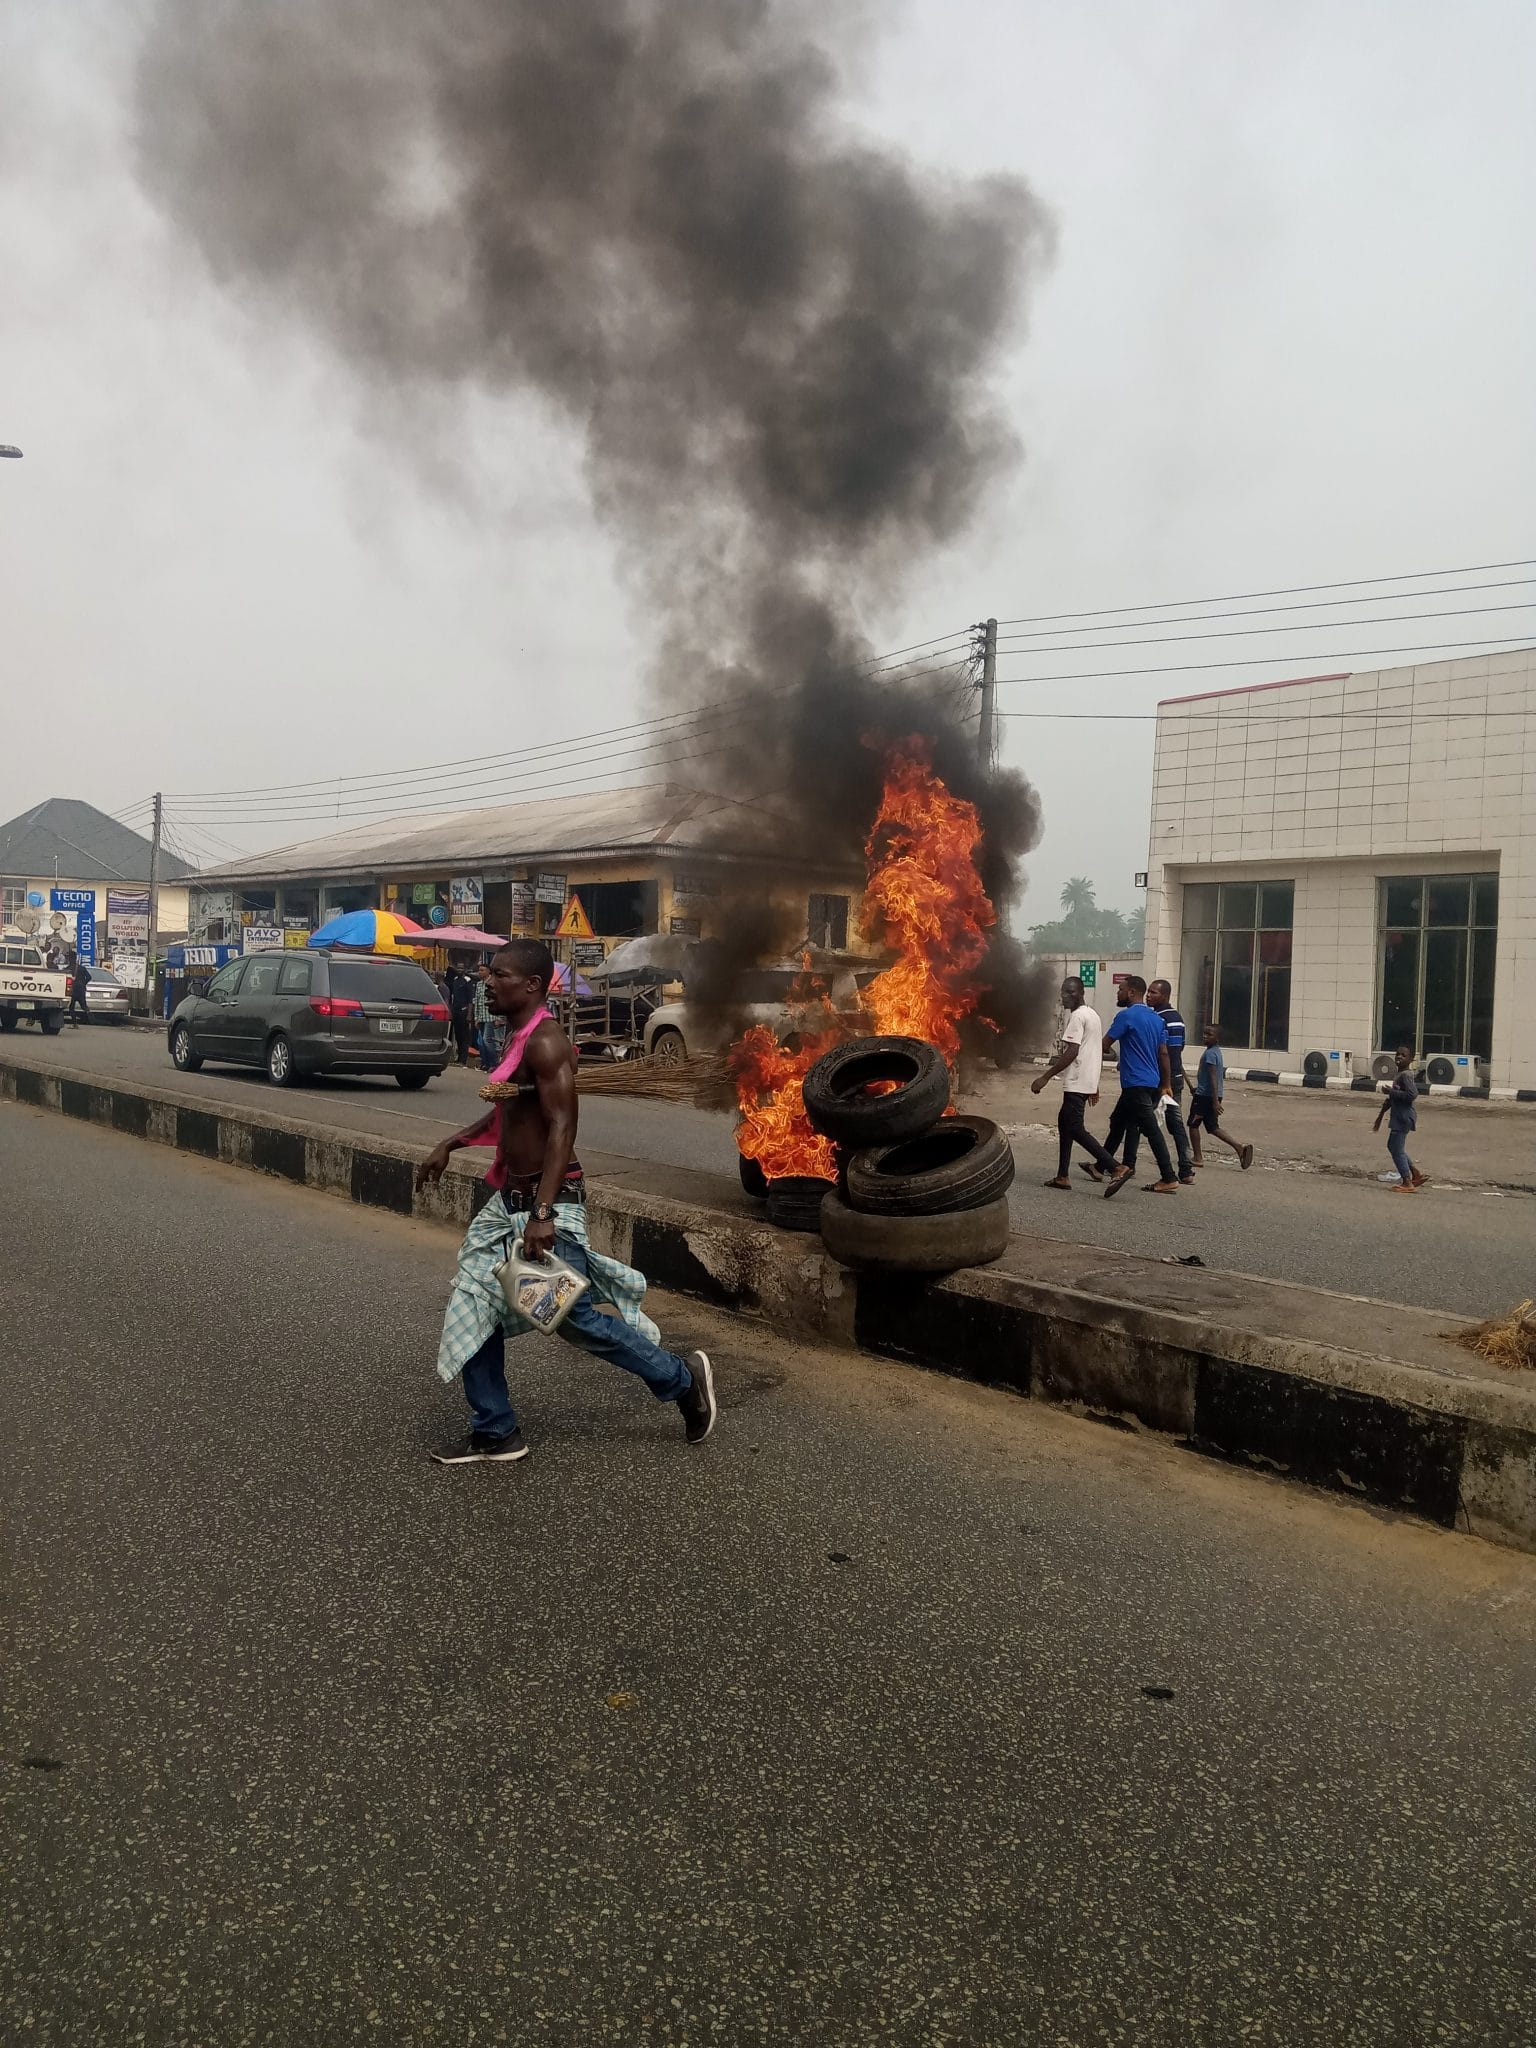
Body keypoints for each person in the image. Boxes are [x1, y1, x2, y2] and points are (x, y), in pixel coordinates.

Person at [415, 938, 717, 1463]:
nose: (487, 982)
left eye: (499, 975)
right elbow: (511, 1116)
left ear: (532, 985)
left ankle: (680, 1377)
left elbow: (562, 1127)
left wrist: (543, 1212)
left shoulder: (545, 1043)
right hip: (506, 1199)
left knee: (569, 1315)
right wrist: (452, 1143)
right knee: (472, 1300)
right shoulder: (516, 1038)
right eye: (488, 974)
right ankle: (495, 1430)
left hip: (545, 1200)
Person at [1031, 975, 1118, 1190]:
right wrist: (1094, 1084)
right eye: (1063, 992)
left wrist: (1045, 1077)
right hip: (1084, 1081)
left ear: (1081, 993)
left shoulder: (1078, 1017)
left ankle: (1115, 1167)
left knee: (1075, 1128)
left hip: (1077, 1081)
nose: (1065, 996)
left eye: (1071, 992)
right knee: (1065, 1125)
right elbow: (1095, 1051)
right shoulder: (1093, 1015)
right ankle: (1062, 1176)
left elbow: (1073, 1051)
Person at [1095, 975, 1180, 1195]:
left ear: (1131, 992)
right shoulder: (1157, 1019)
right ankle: (1100, 1166)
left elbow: (1104, 1045)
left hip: (1135, 1082)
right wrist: (1166, 1083)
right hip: (1151, 1082)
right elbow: (1164, 1053)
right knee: (1118, 1121)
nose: (1118, 993)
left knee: (1151, 1130)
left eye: (1121, 989)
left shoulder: (1126, 1016)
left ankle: (1169, 1177)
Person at [1112, 977, 1195, 1184]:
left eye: (1154, 993)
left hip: (1152, 1080)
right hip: (1155, 1079)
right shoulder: (1156, 1018)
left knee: (1162, 1126)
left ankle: (1175, 1174)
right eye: (1148, 991)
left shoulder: (1164, 1018)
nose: (1149, 995)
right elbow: (1163, 1052)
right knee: (1124, 1122)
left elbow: (1170, 1053)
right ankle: (1112, 1165)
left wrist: (1166, 1082)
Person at [1186, 1025, 1255, 1170]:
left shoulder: (1211, 1054)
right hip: (1207, 1094)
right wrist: (1199, 1089)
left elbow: (1213, 1077)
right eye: (1204, 1033)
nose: (1205, 1036)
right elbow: (1209, 1077)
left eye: (1209, 1034)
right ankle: (1239, 1147)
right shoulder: (1215, 1051)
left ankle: (1198, 1157)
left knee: (1193, 1125)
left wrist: (1215, 1101)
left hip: (1205, 1098)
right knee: (1212, 1127)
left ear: (1217, 1038)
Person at [1374, 1045, 1426, 1192]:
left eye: (1403, 1055)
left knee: (1396, 1148)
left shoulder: (1406, 1075)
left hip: (1403, 1118)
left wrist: (1391, 1092)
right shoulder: (1400, 1074)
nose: (1399, 1057)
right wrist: (1387, 1103)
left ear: (1410, 1059)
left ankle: (1407, 1182)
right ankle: (1415, 1173)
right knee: (1393, 1146)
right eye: (1397, 1054)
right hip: (1399, 1117)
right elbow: (1398, 1094)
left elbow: (1411, 1095)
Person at [471, 961, 503, 1070]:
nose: (480, 972)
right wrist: (476, 1018)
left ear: (489, 971)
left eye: (482, 970)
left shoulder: (494, 983)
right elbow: (477, 1002)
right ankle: (486, 1063)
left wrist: (497, 1017)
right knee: (480, 1042)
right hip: (482, 1017)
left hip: (491, 1017)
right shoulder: (479, 984)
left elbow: (498, 1000)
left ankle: (494, 1064)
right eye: (479, 970)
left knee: (487, 1040)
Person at [445, 963, 475, 1065]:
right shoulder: (455, 980)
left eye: (461, 968)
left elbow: (470, 1000)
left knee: (464, 1036)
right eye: (458, 968)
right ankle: (459, 1058)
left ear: (465, 969)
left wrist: (469, 1014)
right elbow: (453, 997)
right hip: (455, 1011)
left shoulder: (468, 980)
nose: (459, 969)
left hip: (464, 1010)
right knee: (457, 1035)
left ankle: (463, 1059)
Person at [67, 957, 91, 1026]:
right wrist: (83, 983)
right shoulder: (82, 968)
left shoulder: (68, 969)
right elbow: (89, 977)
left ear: (69, 960)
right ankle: (91, 1017)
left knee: (71, 1007)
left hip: (73, 989)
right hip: (81, 989)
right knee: (84, 1006)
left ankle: (75, 1023)